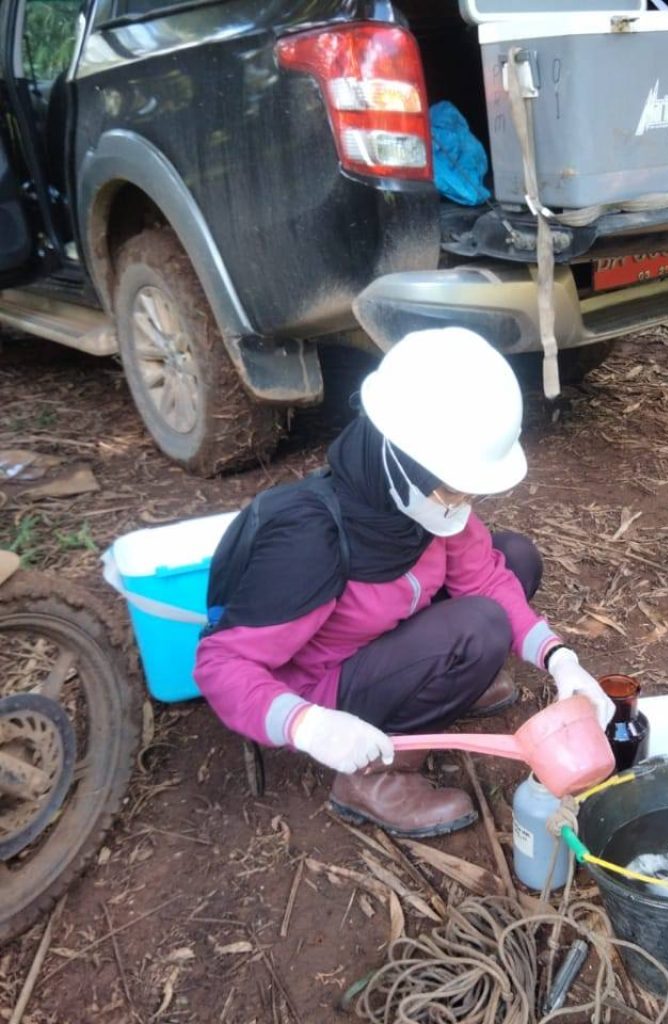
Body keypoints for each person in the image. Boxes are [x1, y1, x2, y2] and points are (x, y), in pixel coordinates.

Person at [194, 328, 614, 838]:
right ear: (406, 458)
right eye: (454, 487)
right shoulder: (312, 539)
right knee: (479, 627)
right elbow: (221, 663)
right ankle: (370, 777)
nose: (461, 502)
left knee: (515, 558)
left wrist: (558, 658)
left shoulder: (416, 500)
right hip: (321, 687)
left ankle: (448, 680)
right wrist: (306, 723)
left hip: (382, 640)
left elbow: (484, 575)